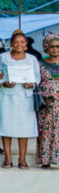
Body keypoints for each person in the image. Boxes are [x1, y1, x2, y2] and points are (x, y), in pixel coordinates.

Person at [0, 30, 40, 169]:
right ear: (11, 44)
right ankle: (8, 158)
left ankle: (22, 159)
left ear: (26, 44)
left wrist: (31, 84)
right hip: (6, 95)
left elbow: (37, 77)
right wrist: (2, 83)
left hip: (25, 97)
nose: (19, 44)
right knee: (6, 126)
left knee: (23, 128)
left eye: (22, 42)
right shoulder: (2, 57)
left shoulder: (31, 59)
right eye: (16, 42)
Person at [36, 33, 59, 169]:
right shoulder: (40, 64)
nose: (55, 49)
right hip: (46, 104)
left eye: (57, 46)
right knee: (45, 132)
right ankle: (45, 160)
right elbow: (35, 81)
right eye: (52, 47)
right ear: (46, 48)